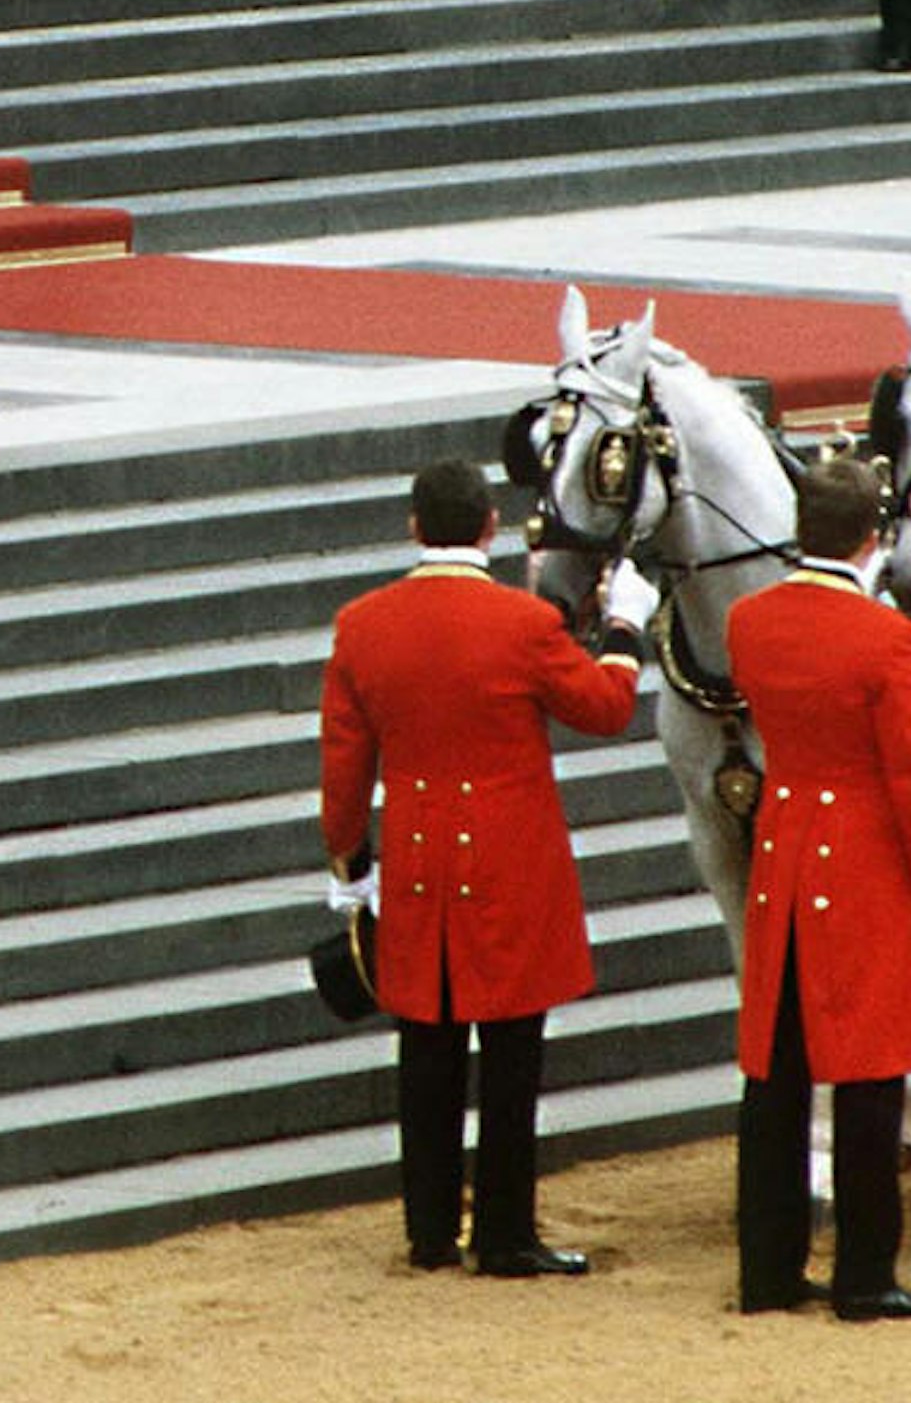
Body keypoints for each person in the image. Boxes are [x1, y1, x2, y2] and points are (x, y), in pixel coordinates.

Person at [317, 455, 640, 1275]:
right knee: (510, 1055)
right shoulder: (523, 622)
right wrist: (626, 635)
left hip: (419, 856)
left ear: (415, 526)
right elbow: (603, 709)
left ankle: (429, 1232)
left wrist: (351, 861)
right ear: (490, 526)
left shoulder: (362, 623)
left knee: (425, 1048)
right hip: (511, 861)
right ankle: (503, 1232)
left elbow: (344, 766)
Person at [725, 454, 911, 1321]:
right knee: (868, 1072)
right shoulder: (886, 636)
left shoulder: (750, 620)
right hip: (860, 861)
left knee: (776, 1074)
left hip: (782, 852)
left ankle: (769, 1267)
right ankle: (865, 1273)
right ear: (875, 536)